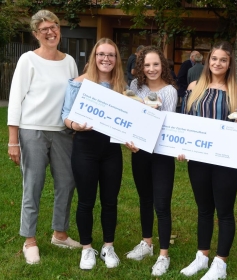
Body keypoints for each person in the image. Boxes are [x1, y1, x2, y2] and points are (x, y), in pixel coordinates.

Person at [7, 9, 81, 265]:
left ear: (59, 29)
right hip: (32, 131)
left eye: (54, 27)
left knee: (67, 182)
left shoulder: (69, 61)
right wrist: (13, 140)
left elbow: (74, 96)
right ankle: (30, 240)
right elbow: (15, 100)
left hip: (62, 133)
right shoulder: (28, 60)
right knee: (33, 185)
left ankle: (60, 234)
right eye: (44, 29)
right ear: (36, 34)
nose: (51, 32)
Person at [62, 38, 135, 270]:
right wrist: (76, 126)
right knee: (86, 201)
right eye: (101, 54)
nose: (106, 59)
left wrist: (133, 139)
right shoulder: (78, 84)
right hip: (85, 148)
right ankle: (86, 249)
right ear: (94, 57)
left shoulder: (123, 88)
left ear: (116, 59)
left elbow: (130, 123)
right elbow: (65, 116)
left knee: (110, 201)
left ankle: (108, 246)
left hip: (111, 151)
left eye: (111, 55)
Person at [178, 41, 237, 280]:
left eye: (223, 60)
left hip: (225, 159)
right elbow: (184, 121)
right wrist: (182, 146)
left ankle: (220, 263)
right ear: (208, 61)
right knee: (204, 209)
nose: (218, 63)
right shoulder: (194, 86)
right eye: (214, 59)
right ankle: (202, 256)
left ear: (229, 64)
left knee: (224, 211)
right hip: (198, 158)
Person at [125, 46, 178, 277]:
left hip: (162, 153)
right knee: (145, 199)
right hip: (140, 151)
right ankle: (147, 243)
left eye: (156, 64)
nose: (151, 69)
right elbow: (129, 117)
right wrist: (129, 139)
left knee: (162, 204)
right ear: (140, 67)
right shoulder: (135, 87)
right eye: (146, 65)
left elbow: (167, 125)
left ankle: (163, 254)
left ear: (162, 65)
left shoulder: (170, 92)